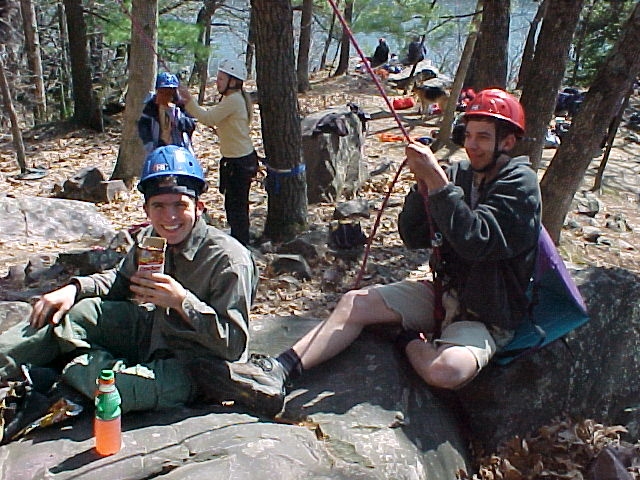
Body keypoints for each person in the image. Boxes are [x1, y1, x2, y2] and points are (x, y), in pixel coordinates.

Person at [189, 89, 542, 418]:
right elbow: (413, 236)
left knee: (444, 371)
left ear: (507, 142)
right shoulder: (460, 175)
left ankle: (401, 336)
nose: (472, 145)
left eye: (484, 137)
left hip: (485, 314)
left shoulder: (520, 185)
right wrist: (421, 191)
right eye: (469, 135)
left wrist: (439, 185)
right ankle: (279, 370)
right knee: (356, 302)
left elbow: (477, 241)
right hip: (444, 295)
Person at [0, 145, 259, 438]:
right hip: (152, 331)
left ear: (198, 207)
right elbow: (120, 281)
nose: (170, 216)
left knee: (111, 387)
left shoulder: (229, 260)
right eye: (159, 206)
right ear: (146, 210)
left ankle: (71, 369)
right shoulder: (151, 238)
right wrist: (74, 289)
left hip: (197, 366)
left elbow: (233, 346)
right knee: (73, 313)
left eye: (180, 205)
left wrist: (181, 302)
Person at [177, 59, 258, 246]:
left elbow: (208, 118)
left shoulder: (234, 100)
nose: (217, 82)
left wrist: (188, 100)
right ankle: (240, 239)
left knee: (236, 206)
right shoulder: (232, 99)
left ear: (233, 82)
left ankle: (241, 242)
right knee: (234, 204)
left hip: (239, 161)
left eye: (221, 79)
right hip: (237, 159)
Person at [138, 72, 196, 154]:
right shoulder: (150, 108)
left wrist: (176, 116)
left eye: (169, 93)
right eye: (162, 92)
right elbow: (143, 126)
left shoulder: (181, 106)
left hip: (179, 148)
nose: (165, 96)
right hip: (157, 148)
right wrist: (150, 144)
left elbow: (190, 125)